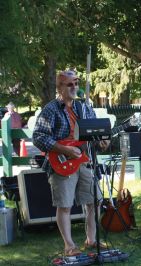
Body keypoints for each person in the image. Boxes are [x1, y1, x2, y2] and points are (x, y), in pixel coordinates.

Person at [33, 70, 109, 256]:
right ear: (60, 87)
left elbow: (93, 134)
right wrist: (65, 149)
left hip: (84, 162)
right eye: (69, 84)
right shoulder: (50, 109)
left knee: (95, 201)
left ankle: (91, 240)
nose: (74, 87)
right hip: (61, 162)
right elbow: (38, 137)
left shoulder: (84, 108)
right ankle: (69, 246)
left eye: (76, 83)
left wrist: (102, 142)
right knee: (65, 205)